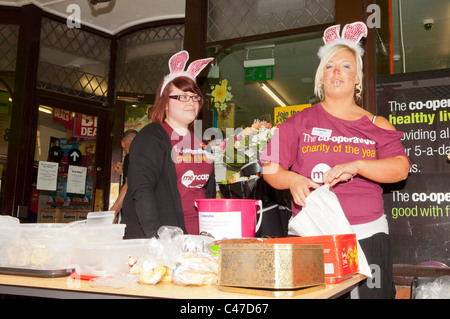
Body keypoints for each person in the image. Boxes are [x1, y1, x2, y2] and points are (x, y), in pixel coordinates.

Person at [260, 22, 411, 299]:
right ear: (321, 78)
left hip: (368, 234)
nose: (337, 71)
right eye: (329, 66)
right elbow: (269, 167)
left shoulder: (377, 124)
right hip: (313, 234)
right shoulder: (299, 122)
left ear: (357, 78)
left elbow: (400, 169)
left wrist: (359, 165)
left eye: (346, 66)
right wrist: (292, 179)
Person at [122, 50, 215, 239]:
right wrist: (158, 239)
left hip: (198, 240)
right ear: (165, 103)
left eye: (194, 97)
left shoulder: (199, 142)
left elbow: (207, 192)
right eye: (182, 97)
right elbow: (142, 189)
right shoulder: (152, 137)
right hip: (166, 240)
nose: (191, 102)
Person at [110, 129, 137, 223]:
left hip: (132, 210)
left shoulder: (130, 157)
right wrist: (123, 173)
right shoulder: (143, 157)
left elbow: (129, 184)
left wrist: (114, 211)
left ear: (122, 143)